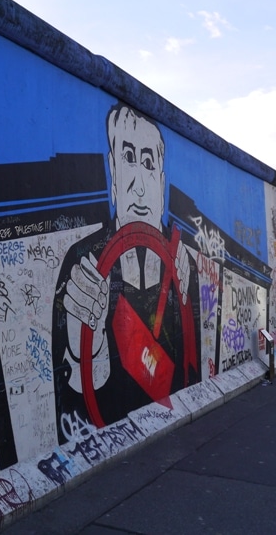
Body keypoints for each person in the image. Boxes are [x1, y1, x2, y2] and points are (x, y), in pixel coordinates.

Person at [52, 102, 200, 444]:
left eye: (149, 164)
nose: (138, 186)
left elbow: (192, 374)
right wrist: (82, 348)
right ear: (112, 170)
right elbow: (68, 417)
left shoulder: (181, 263)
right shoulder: (83, 264)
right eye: (128, 158)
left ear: (162, 182)